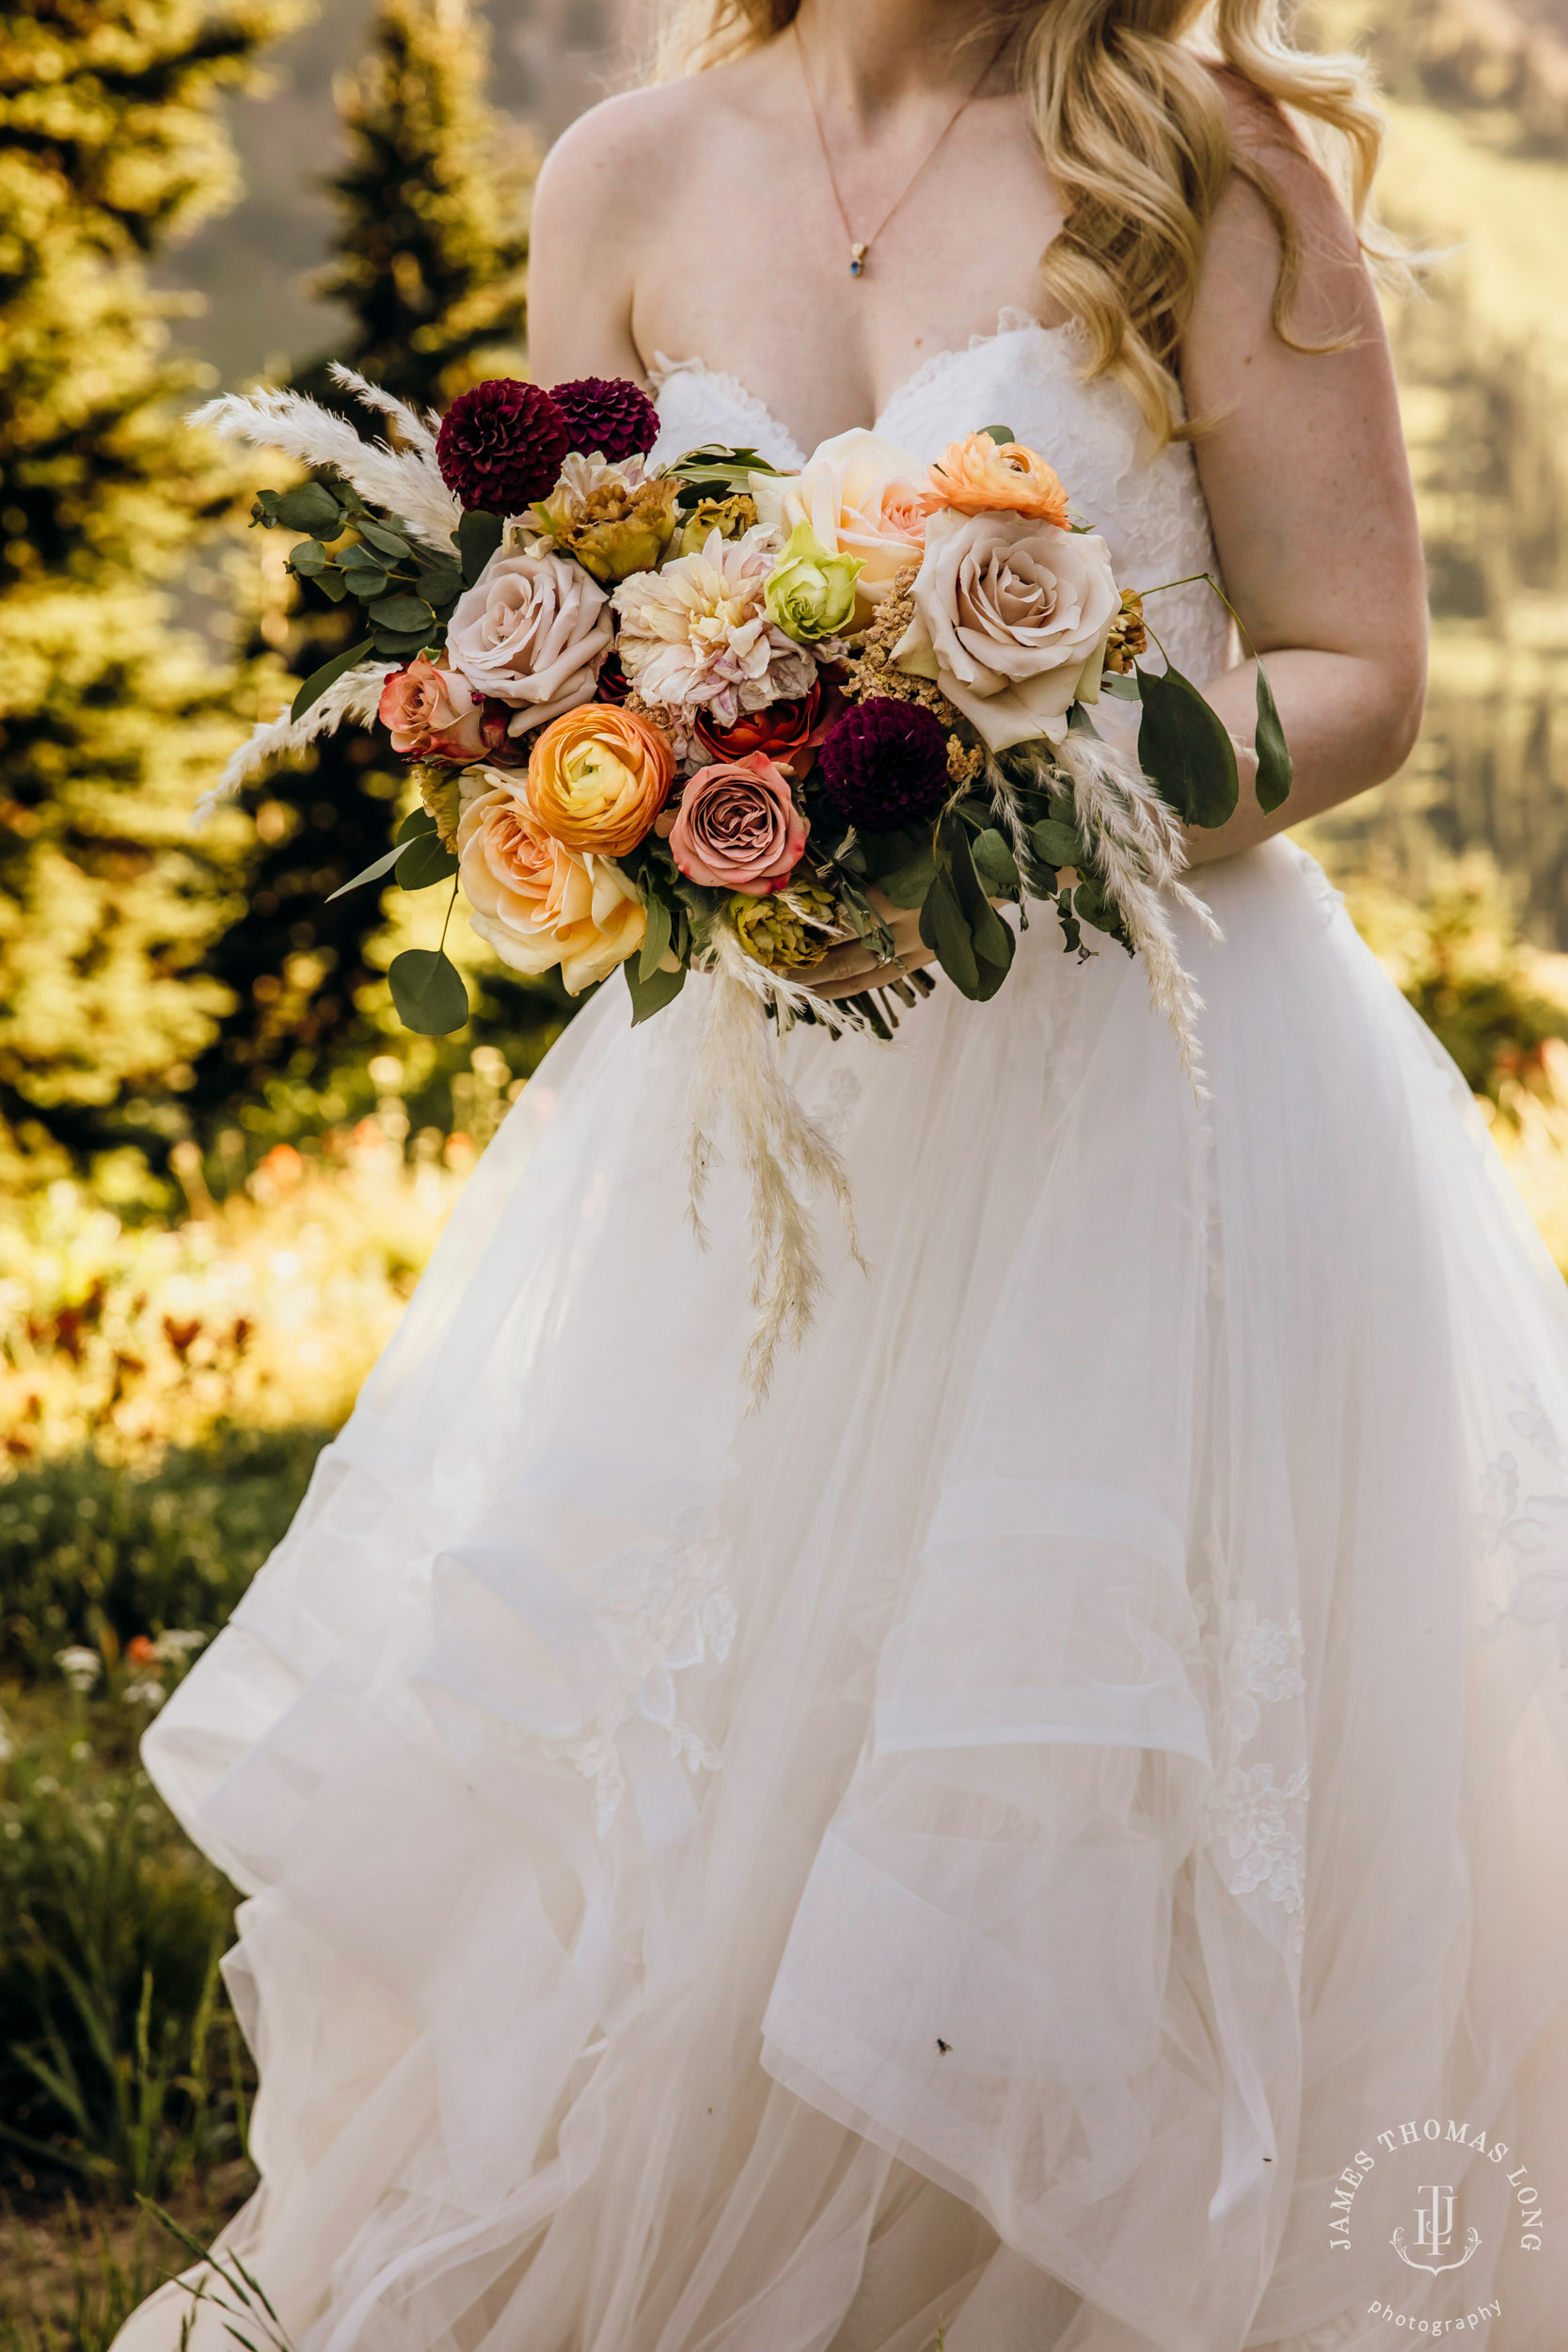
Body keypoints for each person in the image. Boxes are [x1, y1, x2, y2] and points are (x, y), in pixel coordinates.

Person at [115, 4, 1568, 2347]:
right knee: (700, 1778)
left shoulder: (1211, 168)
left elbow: (1360, 662)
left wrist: (1009, 815)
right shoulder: (623, 173)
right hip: (756, 1135)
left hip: (1162, 1099)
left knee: (1075, 1778)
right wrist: (580, 782)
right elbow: (563, 629)